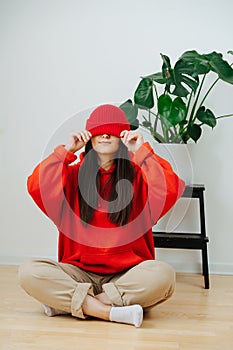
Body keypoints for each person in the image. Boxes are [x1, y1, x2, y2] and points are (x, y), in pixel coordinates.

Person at [19, 104, 185, 328]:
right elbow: (36, 186)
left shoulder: (138, 175)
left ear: (122, 138)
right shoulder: (72, 175)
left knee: (163, 275)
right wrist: (66, 151)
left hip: (127, 275)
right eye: (99, 130)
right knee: (29, 272)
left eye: (113, 130)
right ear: (89, 137)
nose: (106, 134)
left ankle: (75, 303)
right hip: (78, 273)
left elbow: (170, 189)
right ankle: (110, 311)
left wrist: (142, 151)